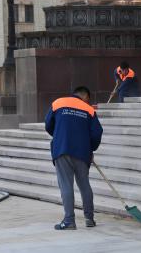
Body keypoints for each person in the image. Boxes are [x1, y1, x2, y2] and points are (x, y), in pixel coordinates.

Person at [45, 86, 103, 230]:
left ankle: (69, 220)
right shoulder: (89, 110)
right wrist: (91, 148)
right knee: (84, 184)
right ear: (85, 97)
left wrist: (59, 136)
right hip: (82, 152)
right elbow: (97, 133)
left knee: (66, 184)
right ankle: (89, 218)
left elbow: (48, 124)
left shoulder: (58, 103)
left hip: (62, 150)